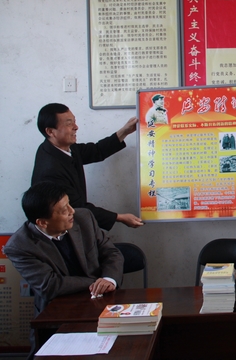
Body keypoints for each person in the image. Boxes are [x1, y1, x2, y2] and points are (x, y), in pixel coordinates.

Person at [4, 182, 123, 357]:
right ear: (42, 222)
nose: (72, 211)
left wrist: (109, 279)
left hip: (101, 303)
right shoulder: (20, 246)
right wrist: (96, 282)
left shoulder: (84, 218)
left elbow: (112, 253)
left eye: (69, 204)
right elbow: (50, 285)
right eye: (63, 210)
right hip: (57, 313)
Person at [31, 103, 143, 230]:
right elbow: (77, 208)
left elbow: (96, 150)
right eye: (69, 124)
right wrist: (119, 217)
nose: (76, 127)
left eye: (74, 121)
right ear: (51, 131)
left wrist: (125, 131)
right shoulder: (51, 171)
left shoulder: (60, 147)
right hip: (60, 229)